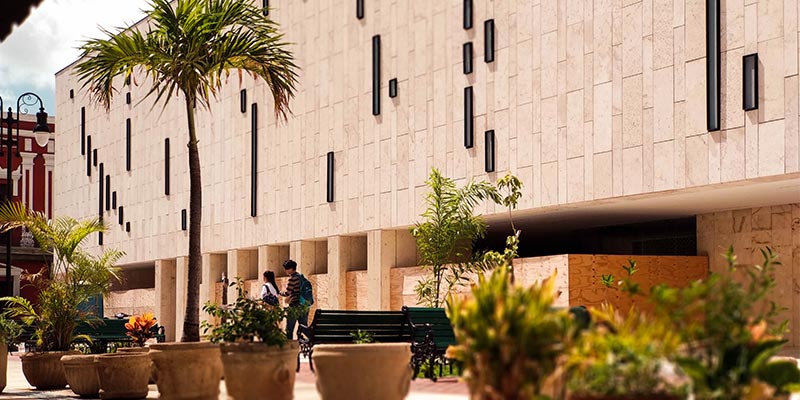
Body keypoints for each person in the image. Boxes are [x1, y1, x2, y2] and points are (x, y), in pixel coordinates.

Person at [281, 259, 308, 340]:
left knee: (289, 329)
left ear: (290, 269)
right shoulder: (301, 277)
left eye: (286, 268)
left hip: (295, 306)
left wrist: (279, 292)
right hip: (304, 306)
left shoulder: (292, 279)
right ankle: (304, 346)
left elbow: (287, 293)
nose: (285, 271)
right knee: (303, 328)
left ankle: (289, 348)